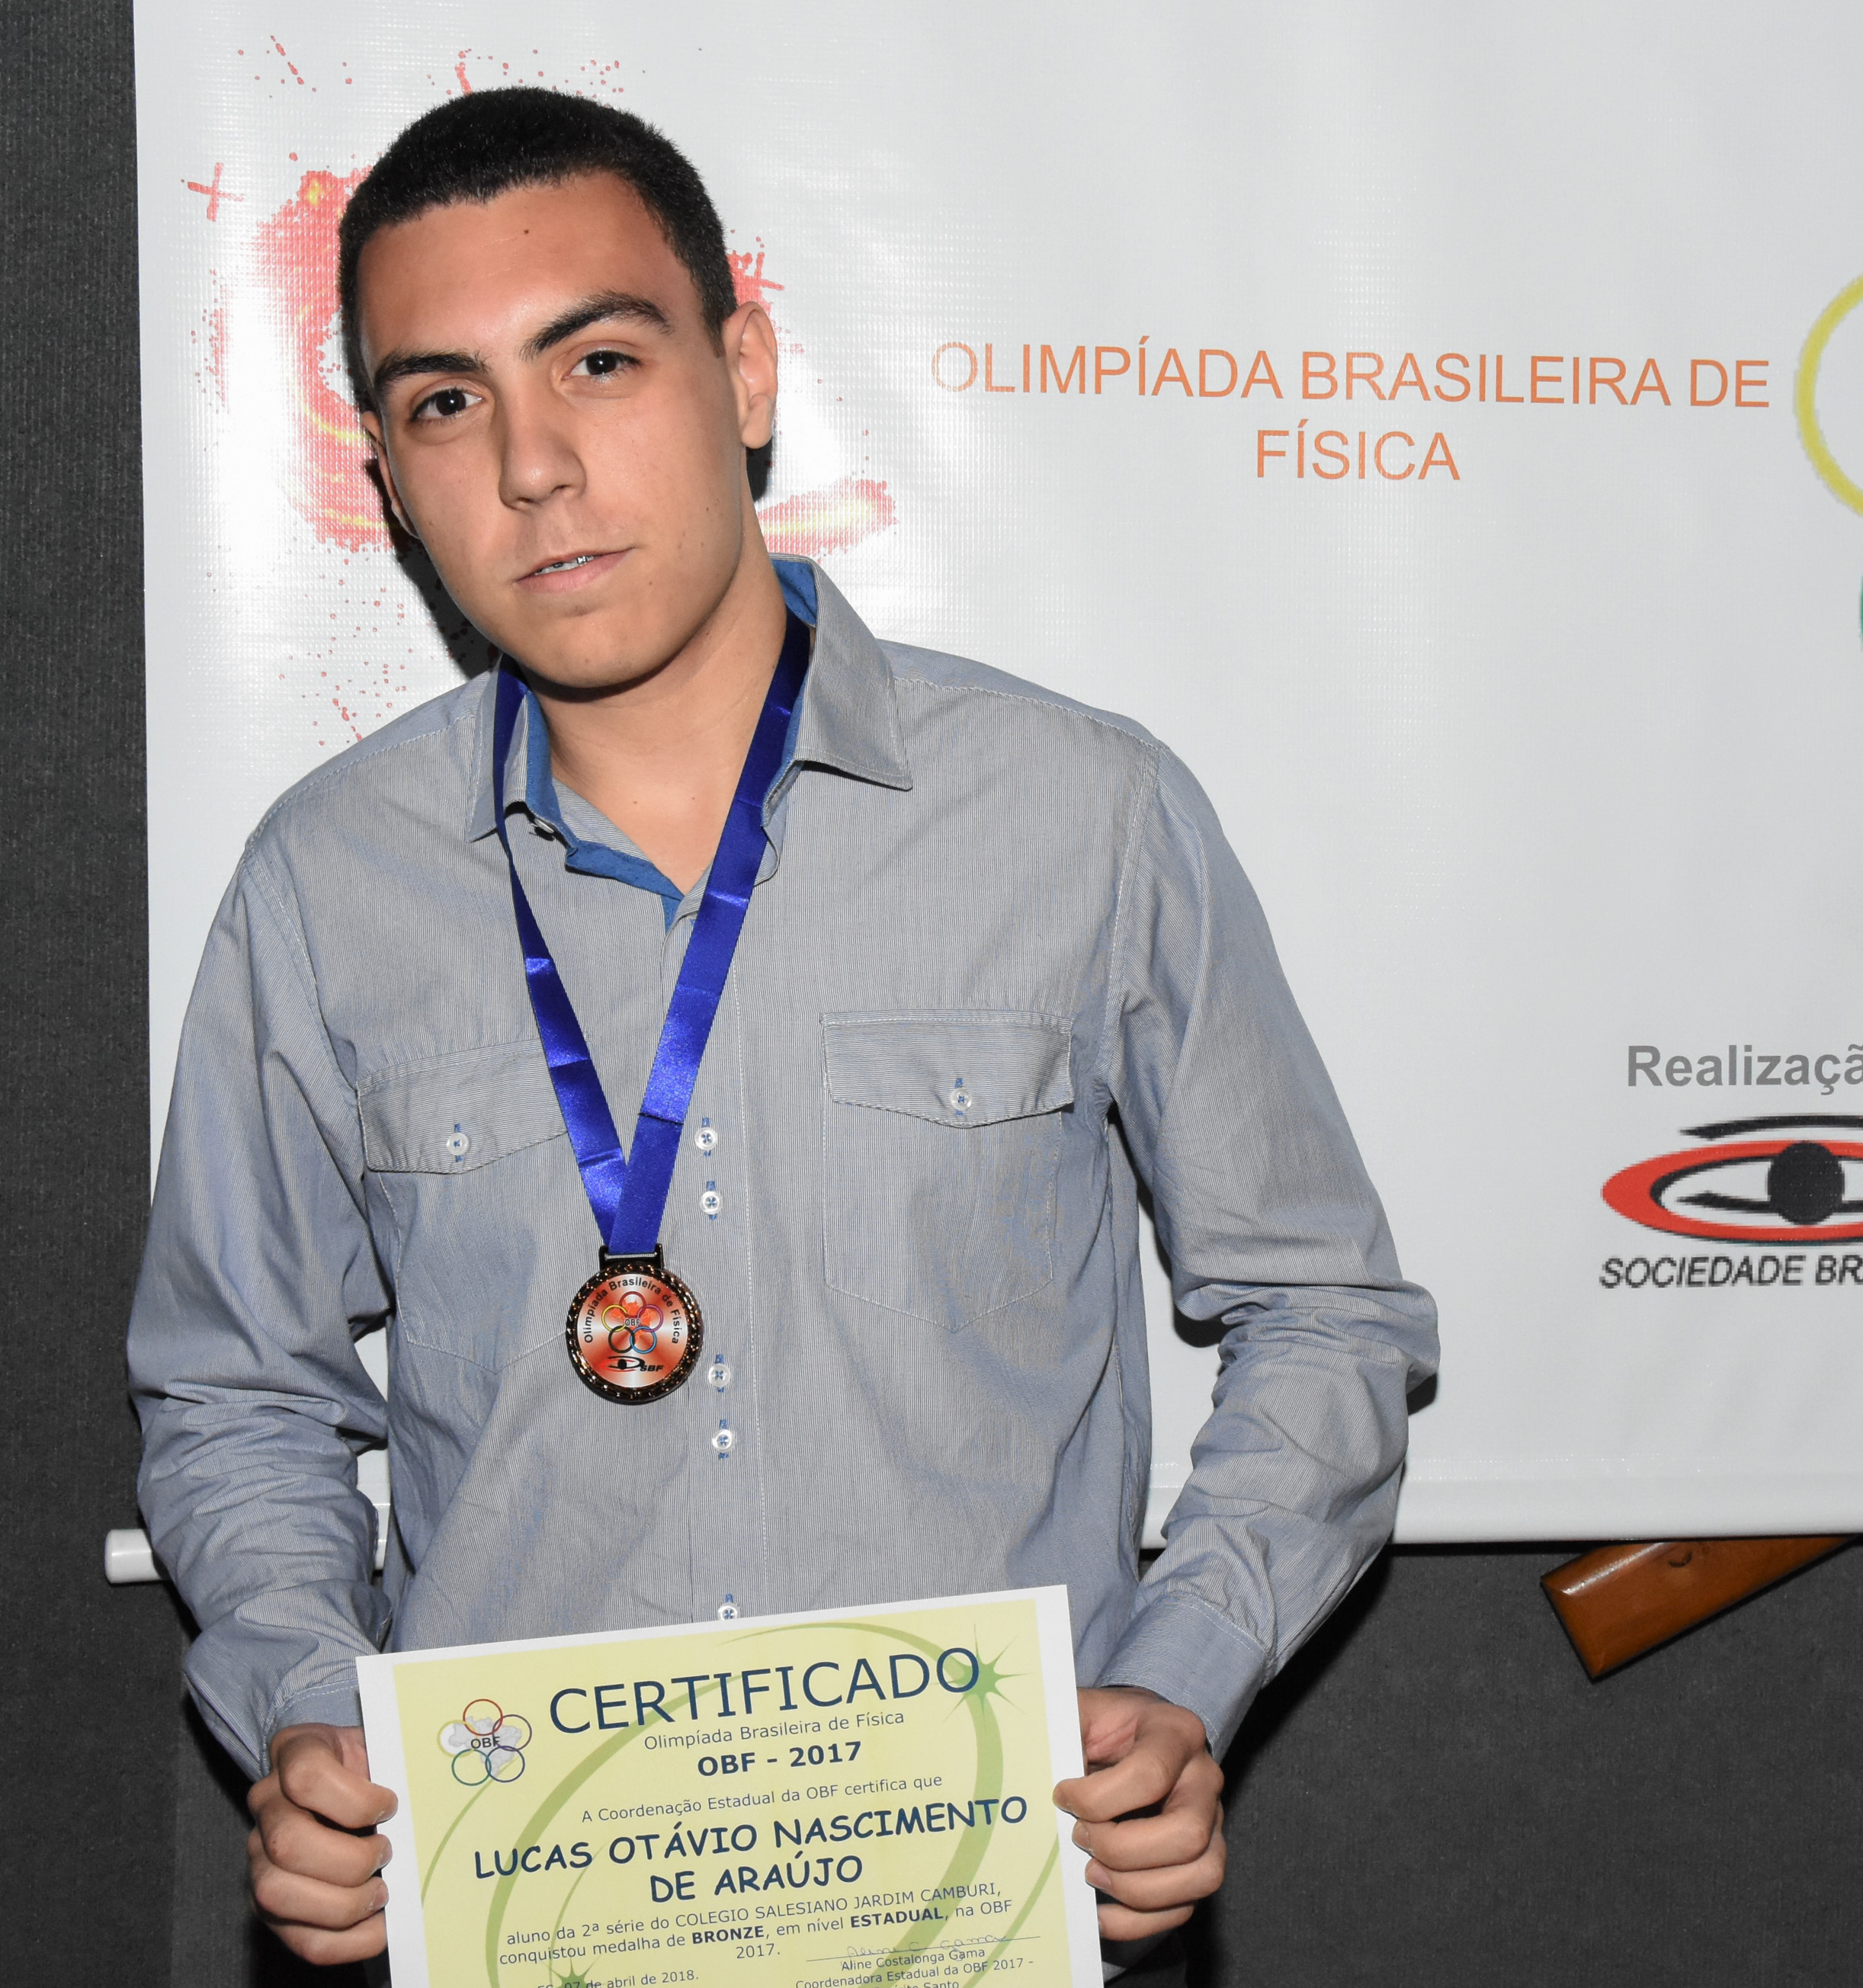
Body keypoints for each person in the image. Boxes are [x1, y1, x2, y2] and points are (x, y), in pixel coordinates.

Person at [129, 85, 1437, 1970]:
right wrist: (310, 1711)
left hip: (990, 1914)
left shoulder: (1083, 812)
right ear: (391, 479)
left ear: (743, 372)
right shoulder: (324, 885)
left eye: (597, 360)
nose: (532, 466)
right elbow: (236, 1397)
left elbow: (1328, 1308)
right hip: (538, 1918)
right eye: (446, 402)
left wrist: (1183, 1667)